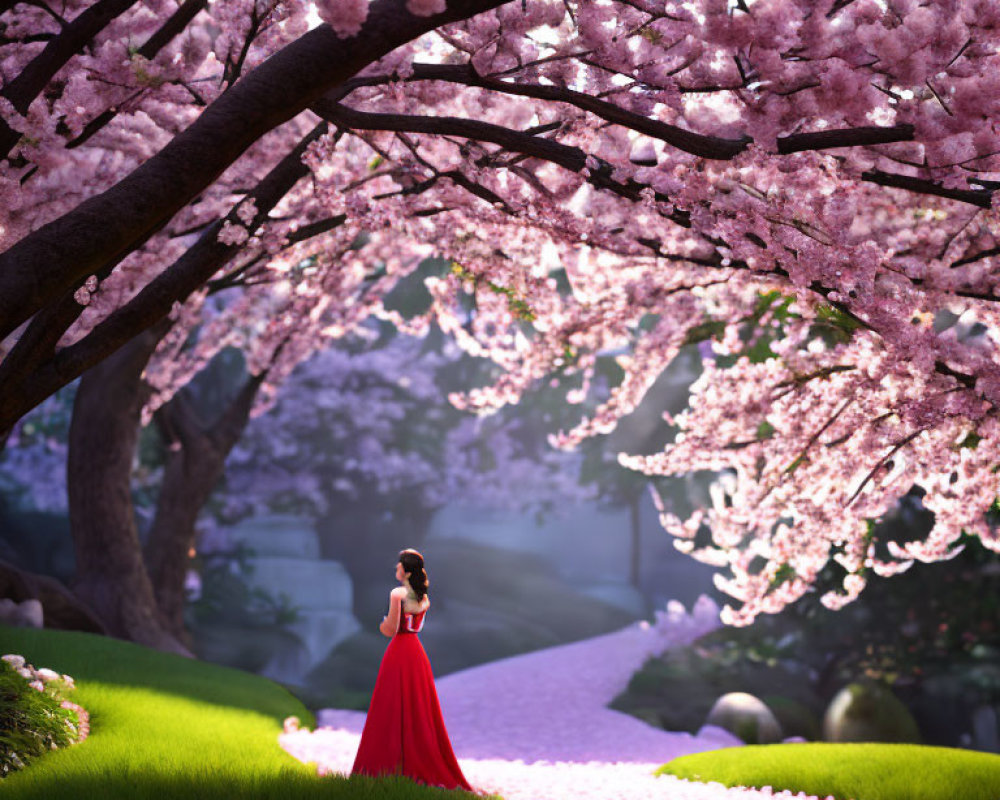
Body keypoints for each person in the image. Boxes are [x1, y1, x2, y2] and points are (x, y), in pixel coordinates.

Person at [351, 548, 474, 792]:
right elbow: (415, 626)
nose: (396, 570)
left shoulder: (397, 593)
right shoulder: (423, 597)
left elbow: (391, 629)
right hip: (417, 653)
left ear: (406, 570)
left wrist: (381, 622)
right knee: (419, 708)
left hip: (398, 652)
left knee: (389, 706)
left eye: (398, 566)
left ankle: (386, 766)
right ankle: (416, 761)